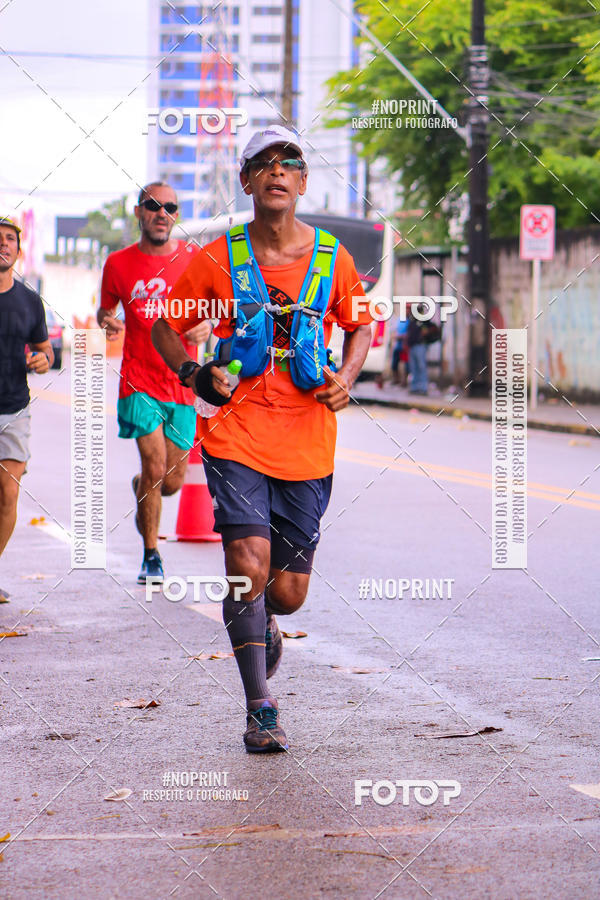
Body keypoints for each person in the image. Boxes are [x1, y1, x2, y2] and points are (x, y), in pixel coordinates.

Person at [151, 125, 372, 753]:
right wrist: (194, 373)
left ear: (302, 182)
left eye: (289, 162)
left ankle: (269, 623)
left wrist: (347, 377)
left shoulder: (332, 257)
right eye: (263, 163)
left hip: (308, 437)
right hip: (234, 432)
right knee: (246, 564)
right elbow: (167, 327)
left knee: (288, 593)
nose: (277, 171)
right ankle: (259, 707)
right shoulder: (217, 257)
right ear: (247, 181)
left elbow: (359, 325)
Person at [98, 183, 210, 585]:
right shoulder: (118, 263)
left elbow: (212, 309)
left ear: (176, 215)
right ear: (139, 212)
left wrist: (205, 326)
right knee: (156, 466)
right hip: (138, 380)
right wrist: (107, 321)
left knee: (172, 481)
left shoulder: (194, 259)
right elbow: (105, 310)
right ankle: (151, 556)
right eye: (153, 205)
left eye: (171, 207)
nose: (162, 213)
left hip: (182, 381)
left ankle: (143, 488)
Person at [0, 216, 54, 602]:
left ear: (18, 251)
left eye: (9, 239)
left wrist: (42, 360)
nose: (3, 244)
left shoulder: (30, 300)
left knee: (7, 495)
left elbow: (45, 349)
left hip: (14, 409)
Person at [407, 304, 430, 395]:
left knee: (421, 366)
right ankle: (415, 387)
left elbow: (425, 332)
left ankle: (423, 387)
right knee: (413, 367)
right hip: (412, 346)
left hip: (420, 345)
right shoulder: (412, 321)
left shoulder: (423, 321)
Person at [390, 316, 409, 385]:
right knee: (394, 364)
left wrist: (401, 336)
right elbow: (393, 332)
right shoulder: (398, 321)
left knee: (405, 364)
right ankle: (396, 379)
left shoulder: (409, 321)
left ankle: (404, 381)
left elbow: (408, 334)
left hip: (405, 346)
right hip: (397, 345)